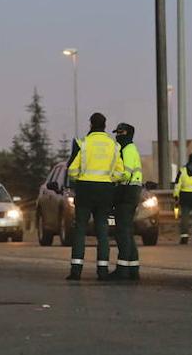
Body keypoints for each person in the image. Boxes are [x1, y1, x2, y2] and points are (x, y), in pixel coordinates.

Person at [66, 113, 125, 281]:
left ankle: (76, 270)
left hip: (85, 189)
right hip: (105, 190)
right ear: (105, 125)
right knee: (102, 230)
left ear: (90, 124)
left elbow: (71, 169)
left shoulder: (81, 143)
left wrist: (78, 178)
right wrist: (109, 179)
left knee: (80, 229)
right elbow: (120, 172)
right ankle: (103, 270)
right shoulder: (114, 145)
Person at [109, 123, 142, 280]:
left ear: (127, 133)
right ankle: (133, 268)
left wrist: (111, 178)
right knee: (127, 232)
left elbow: (126, 174)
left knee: (122, 232)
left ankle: (122, 269)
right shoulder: (129, 148)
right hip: (130, 193)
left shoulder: (128, 149)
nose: (117, 135)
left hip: (126, 193)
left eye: (120, 132)